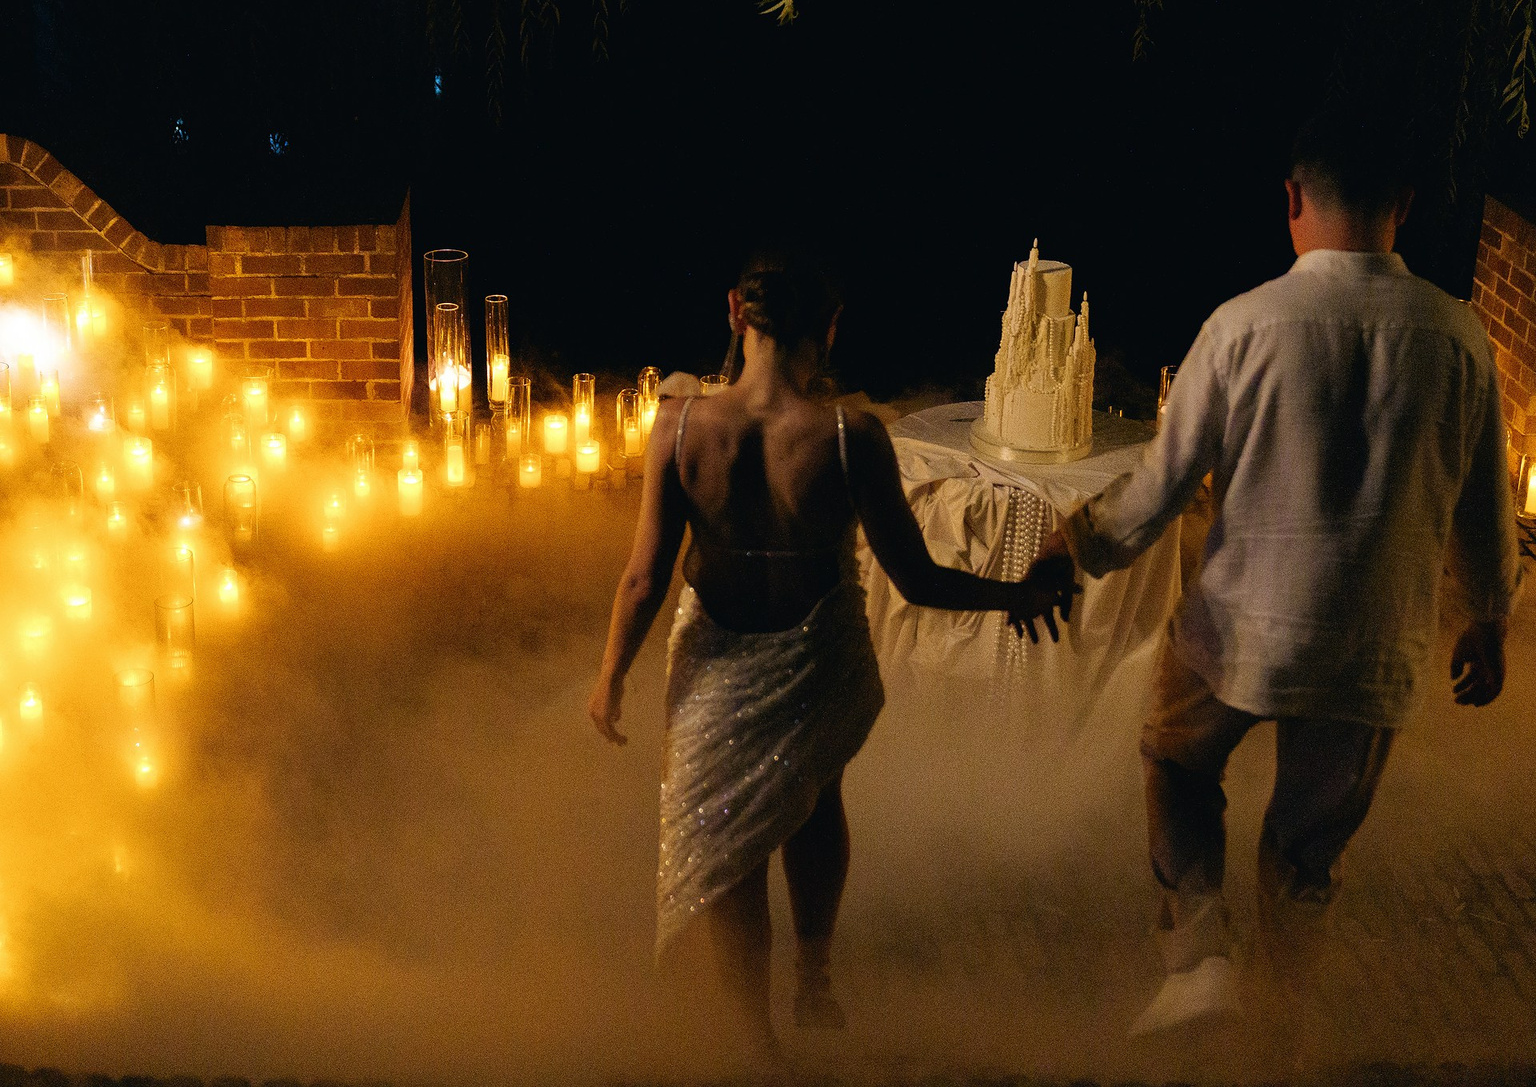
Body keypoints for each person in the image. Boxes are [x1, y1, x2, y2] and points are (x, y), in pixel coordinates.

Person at [1029, 106, 1519, 1038]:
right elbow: (1483, 505)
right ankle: (1280, 1041)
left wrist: (1074, 547)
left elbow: (1161, 487)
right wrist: (1488, 617)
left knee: (1177, 761)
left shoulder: (1243, 328)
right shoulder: (1457, 338)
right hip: (1373, 647)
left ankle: (1198, 955)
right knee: (1307, 852)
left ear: (1292, 199)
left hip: (1238, 631)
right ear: (1404, 205)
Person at [587, 257, 1069, 1059]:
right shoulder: (851, 439)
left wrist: (610, 676)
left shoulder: (677, 427)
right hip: (819, 655)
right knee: (811, 798)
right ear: (830, 330)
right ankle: (812, 977)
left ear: (736, 311)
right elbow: (916, 579)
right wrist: (1013, 595)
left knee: (731, 848)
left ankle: (756, 1035)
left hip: (723, 661)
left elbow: (644, 578)